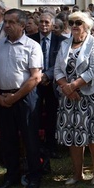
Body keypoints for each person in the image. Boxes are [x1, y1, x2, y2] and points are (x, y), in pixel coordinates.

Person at [0, 9, 44, 188]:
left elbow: (35, 77)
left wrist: (15, 97)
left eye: (11, 22)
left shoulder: (32, 46)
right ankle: (11, 174)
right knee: (7, 139)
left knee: (30, 138)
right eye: (5, 22)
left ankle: (34, 175)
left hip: (25, 98)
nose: (6, 25)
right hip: (4, 98)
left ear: (22, 25)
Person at [54, 12, 94, 185]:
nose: (74, 25)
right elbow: (57, 70)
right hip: (69, 98)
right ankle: (77, 174)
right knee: (73, 135)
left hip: (90, 96)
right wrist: (66, 88)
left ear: (86, 26)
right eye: (71, 23)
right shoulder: (64, 44)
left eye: (78, 22)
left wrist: (74, 85)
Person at [30, 11, 66, 167]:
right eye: (41, 22)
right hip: (34, 83)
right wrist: (39, 76)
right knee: (34, 114)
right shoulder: (30, 40)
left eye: (47, 22)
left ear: (53, 25)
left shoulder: (62, 41)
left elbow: (61, 62)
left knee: (52, 115)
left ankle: (52, 146)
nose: (44, 25)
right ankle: (35, 146)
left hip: (53, 83)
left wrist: (47, 75)